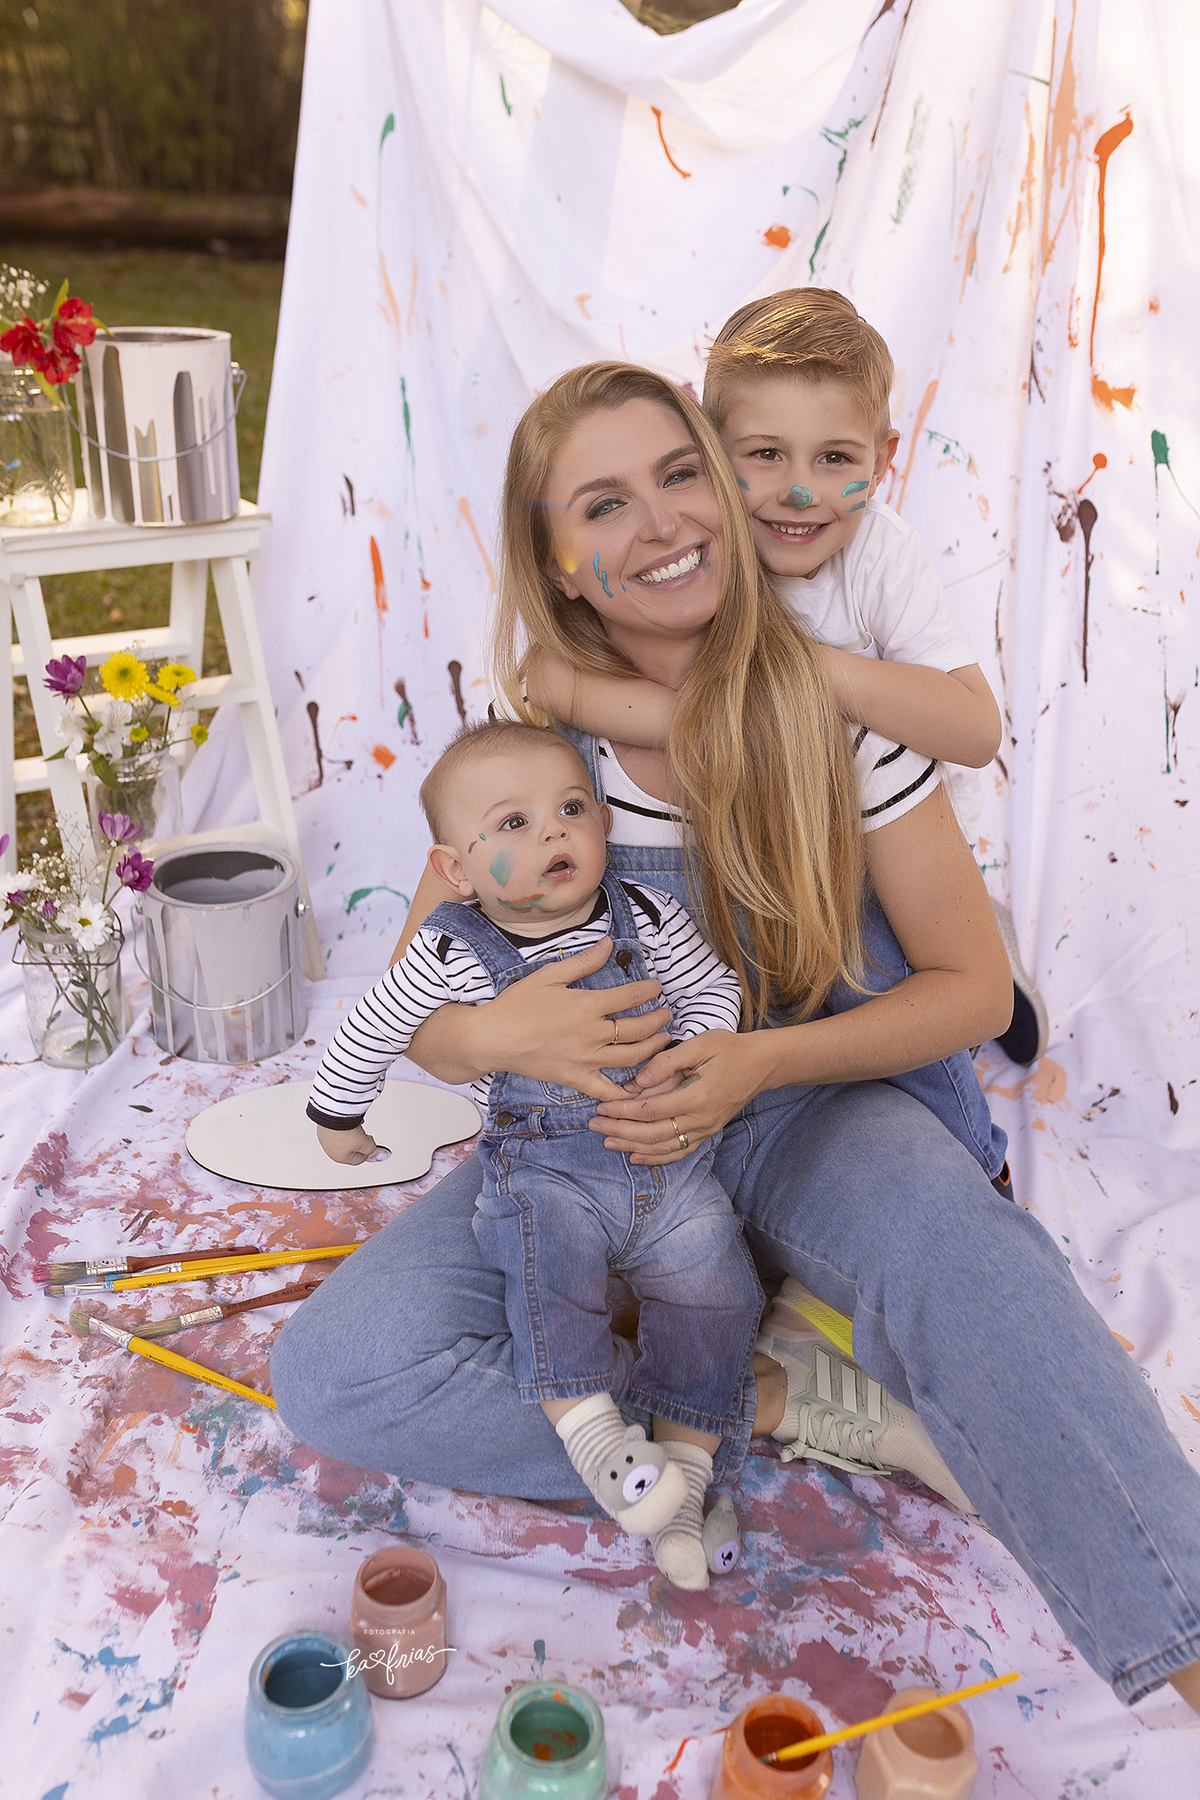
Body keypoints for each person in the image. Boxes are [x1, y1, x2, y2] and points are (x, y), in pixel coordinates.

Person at [273, 362, 1200, 1714]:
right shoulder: (537, 752)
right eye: (605, 501)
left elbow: (963, 981)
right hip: (586, 1145)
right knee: (339, 1371)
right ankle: (770, 1397)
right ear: (565, 567)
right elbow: (421, 1009)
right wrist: (495, 1038)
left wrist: (759, 1060)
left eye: (679, 474)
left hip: (813, 1107)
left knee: (967, 1257)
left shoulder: (841, 716)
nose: (658, 523)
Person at [528, 289, 1046, 1068]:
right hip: (761, 849)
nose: (798, 493)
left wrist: (806, 674)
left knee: (907, 972)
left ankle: (988, 944)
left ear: (884, 459)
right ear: (709, 445)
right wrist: (723, 720)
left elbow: (975, 730)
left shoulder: (877, 555)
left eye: (835, 458)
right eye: (764, 455)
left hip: (889, 848)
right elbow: (549, 681)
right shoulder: (702, 553)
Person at [305, 718, 762, 1590]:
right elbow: (372, 1026)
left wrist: (690, 1055)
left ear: (602, 825)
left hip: (664, 1160)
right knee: (549, 1283)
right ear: (455, 869)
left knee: (715, 1288)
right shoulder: (449, 950)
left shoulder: (650, 913)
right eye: (513, 824)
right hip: (543, 1173)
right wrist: (339, 1117)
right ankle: (598, 1442)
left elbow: (713, 987)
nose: (552, 831)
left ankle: (688, 1481)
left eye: (570, 808)